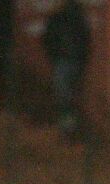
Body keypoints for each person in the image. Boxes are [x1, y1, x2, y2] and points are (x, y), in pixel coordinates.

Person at [42, 0, 91, 136]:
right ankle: (71, 125)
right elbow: (86, 42)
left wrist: (53, 56)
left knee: (64, 95)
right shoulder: (80, 20)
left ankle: (68, 126)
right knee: (71, 94)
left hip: (62, 61)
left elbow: (47, 40)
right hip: (75, 61)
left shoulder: (56, 19)